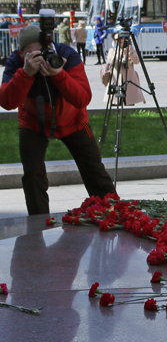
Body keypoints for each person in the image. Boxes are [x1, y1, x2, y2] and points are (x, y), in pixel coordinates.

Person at [0, 25, 116, 215]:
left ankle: (115, 213)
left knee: (95, 171)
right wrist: (26, 73)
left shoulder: (66, 55)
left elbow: (83, 98)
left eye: (42, 51)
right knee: (33, 176)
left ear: (50, 47)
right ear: (22, 54)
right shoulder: (16, 63)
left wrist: (59, 74)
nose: (38, 57)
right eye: (30, 53)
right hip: (33, 123)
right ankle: (37, 224)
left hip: (74, 120)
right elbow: (7, 102)